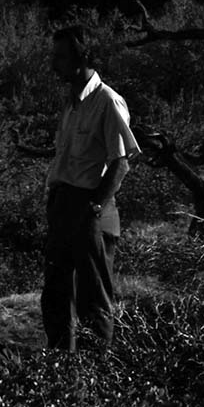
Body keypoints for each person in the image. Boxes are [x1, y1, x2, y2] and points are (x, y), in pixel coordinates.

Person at [42, 26, 140, 350]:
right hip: (64, 205)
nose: (53, 64)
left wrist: (94, 208)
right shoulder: (71, 102)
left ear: (81, 57)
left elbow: (121, 162)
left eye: (60, 57)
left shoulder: (107, 101)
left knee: (93, 301)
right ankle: (60, 376)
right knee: (55, 294)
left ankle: (94, 384)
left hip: (90, 208)